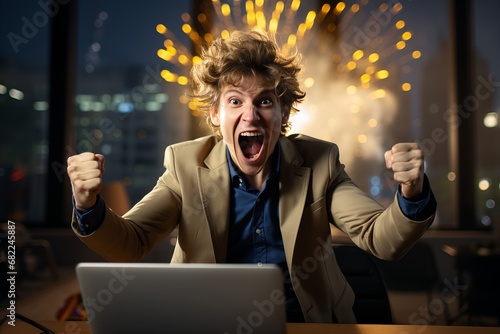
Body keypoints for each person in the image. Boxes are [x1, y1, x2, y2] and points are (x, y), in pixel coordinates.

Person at [67, 30, 436, 324]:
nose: (251, 115)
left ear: (282, 114)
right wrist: (86, 203)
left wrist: (413, 192)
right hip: (209, 324)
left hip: (304, 325)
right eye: (234, 101)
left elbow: (381, 239)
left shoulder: (320, 161)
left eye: (264, 101)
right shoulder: (185, 165)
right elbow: (130, 242)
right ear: (214, 114)